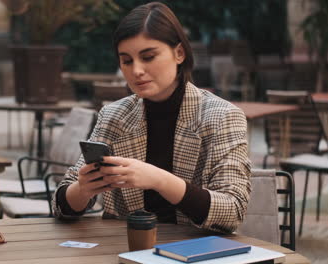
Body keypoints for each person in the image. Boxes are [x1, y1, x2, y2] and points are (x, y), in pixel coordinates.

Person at [52, 2, 251, 233]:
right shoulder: (114, 115)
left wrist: (159, 179)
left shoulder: (222, 117)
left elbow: (233, 210)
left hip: (194, 249)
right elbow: (59, 206)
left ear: (179, 53)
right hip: (124, 247)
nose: (136, 70)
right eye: (127, 61)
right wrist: (82, 189)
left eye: (148, 57)